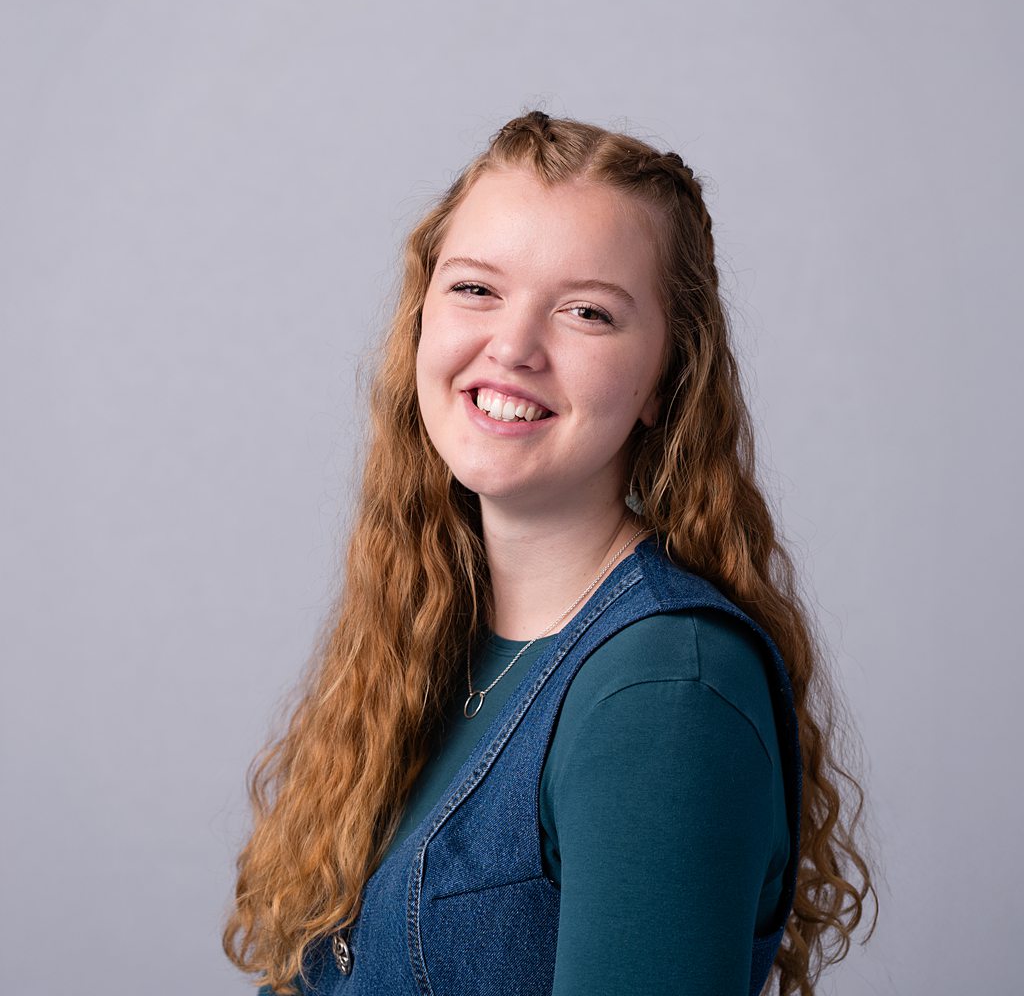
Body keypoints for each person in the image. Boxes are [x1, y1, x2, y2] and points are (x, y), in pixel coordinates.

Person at [223, 111, 874, 996]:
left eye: (587, 312)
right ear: (422, 318)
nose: (514, 347)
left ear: (665, 382)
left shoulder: (661, 694)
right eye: (476, 290)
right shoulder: (423, 636)